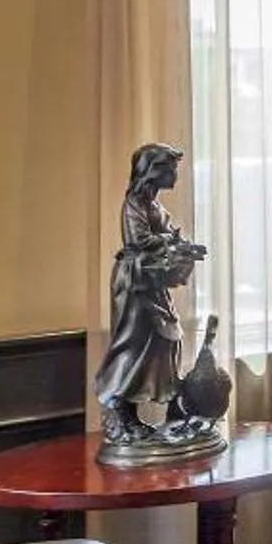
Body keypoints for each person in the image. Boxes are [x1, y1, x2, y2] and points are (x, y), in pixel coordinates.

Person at [94, 142, 211, 453]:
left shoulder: (155, 206)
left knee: (166, 340)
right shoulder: (134, 203)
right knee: (134, 345)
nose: (175, 175)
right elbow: (139, 240)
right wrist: (171, 243)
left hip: (150, 281)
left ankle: (172, 408)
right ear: (153, 171)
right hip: (135, 284)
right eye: (170, 168)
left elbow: (169, 234)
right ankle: (119, 408)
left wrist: (184, 246)